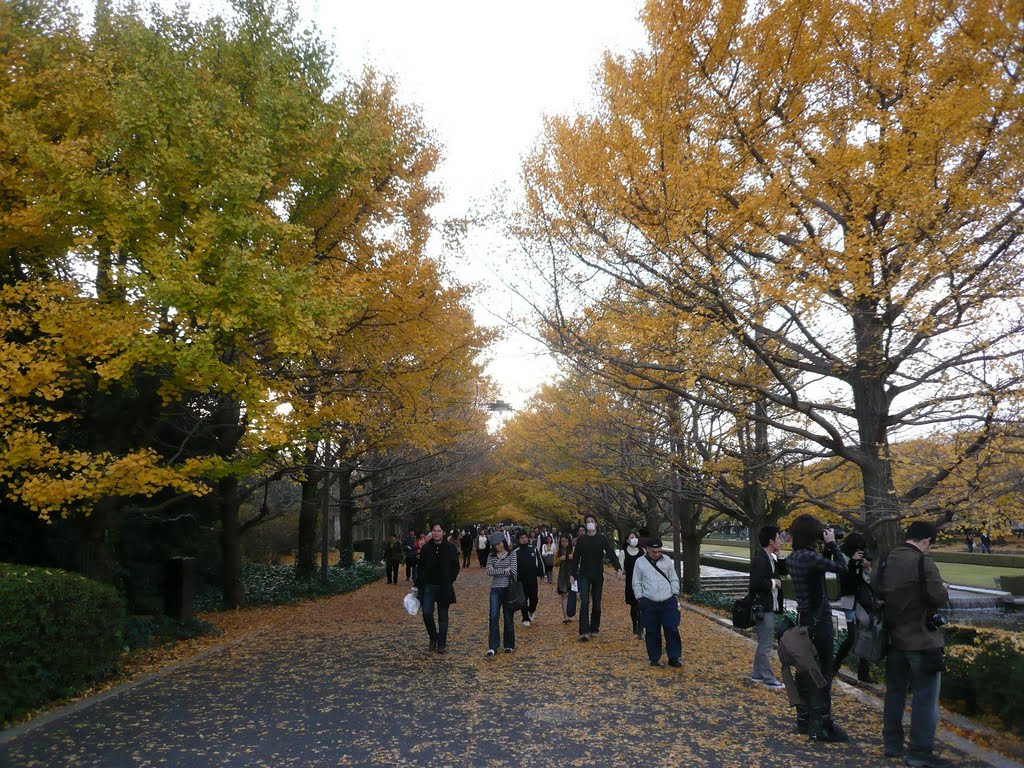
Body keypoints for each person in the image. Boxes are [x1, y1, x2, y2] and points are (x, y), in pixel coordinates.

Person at [877, 521, 951, 768]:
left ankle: (892, 744)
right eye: (930, 545)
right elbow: (938, 598)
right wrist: (944, 589)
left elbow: (875, 588)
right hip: (921, 640)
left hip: (894, 638)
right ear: (926, 541)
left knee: (895, 693)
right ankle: (919, 752)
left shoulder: (886, 559)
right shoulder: (923, 563)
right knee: (925, 698)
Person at [786, 514, 849, 742]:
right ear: (813, 535)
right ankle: (822, 725)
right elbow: (842, 567)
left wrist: (824, 549)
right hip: (820, 622)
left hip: (804, 620)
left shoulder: (794, 557)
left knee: (805, 671)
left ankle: (804, 720)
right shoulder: (810, 558)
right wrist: (832, 543)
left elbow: (817, 571)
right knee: (824, 673)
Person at [571, 514, 623, 641]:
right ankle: (583, 631)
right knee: (584, 602)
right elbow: (576, 557)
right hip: (584, 573)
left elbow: (610, 552)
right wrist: (573, 574)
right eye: (588, 522)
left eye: (592, 521)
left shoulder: (601, 539)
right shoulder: (581, 540)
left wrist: (618, 567)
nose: (590, 523)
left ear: (596, 524)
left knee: (597, 602)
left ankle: (594, 627)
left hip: (598, 574)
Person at [631, 539, 681, 667]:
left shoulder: (667, 560)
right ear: (647, 549)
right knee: (652, 631)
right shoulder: (640, 562)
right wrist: (640, 598)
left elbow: (673, 577)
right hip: (649, 601)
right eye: (654, 552)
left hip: (668, 600)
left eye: (659, 551)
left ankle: (674, 657)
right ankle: (654, 658)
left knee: (671, 628)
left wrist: (674, 593)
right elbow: (636, 582)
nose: (657, 554)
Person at [748, 525, 787, 689]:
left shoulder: (771, 557)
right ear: (771, 541)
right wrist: (773, 582)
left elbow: (785, 571)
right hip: (763, 608)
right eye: (778, 538)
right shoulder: (760, 559)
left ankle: (757, 674)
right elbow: (755, 583)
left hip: (768, 605)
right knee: (766, 644)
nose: (781, 540)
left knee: (764, 642)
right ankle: (767, 677)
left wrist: (780, 556)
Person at [832, 532, 874, 683]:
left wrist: (866, 568)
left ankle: (864, 672)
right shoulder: (843, 558)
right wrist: (854, 564)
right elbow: (847, 582)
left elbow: (866, 581)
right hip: (850, 601)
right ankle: (834, 666)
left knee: (864, 635)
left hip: (862, 602)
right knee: (851, 637)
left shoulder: (858, 560)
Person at [414, 523, 460, 654]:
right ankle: (434, 636)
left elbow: (455, 567)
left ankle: (442, 643)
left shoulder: (450, 548)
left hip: (444, 586)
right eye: (434, 531)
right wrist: (418, 584)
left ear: (443, 532)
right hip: (429, 586)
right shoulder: (426, 548)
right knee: (427, 613)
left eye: (439, 531)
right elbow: (421, 567)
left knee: (443, 616)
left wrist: (450, 579)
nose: (436, 533)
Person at [485, 532, 518, 656]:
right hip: (495, 589)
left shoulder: (511, 554)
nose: (497, 547)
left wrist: (497, 571)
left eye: (498, 544)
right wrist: (504, 570)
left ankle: (509, 644)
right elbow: (488, 571)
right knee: (493, 617)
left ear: (503, 542)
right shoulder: (491, 556)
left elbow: (513, 571)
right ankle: (493, 645)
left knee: (508, 617)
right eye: (494, 545)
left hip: (508, 588)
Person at [514, 530, 545, 625]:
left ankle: (531, 610)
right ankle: (525, 618)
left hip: (532, 578)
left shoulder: (533, 549)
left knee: (534, 598)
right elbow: (513, 566)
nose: (524, 539)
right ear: (518, 540)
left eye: (525, 537)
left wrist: (541, 574)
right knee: (523, 599)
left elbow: (539, 561)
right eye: (521, 538)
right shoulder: (515, 552)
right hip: (520, 579)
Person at [621, 530, 645, 639]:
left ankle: (641, 627)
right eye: (631, 537)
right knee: (634, 605)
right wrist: (619, 573)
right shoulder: (623, 552)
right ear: (627, 540)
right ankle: (635, 624)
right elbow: (621, 567)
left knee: (641, 605)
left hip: (642, 581)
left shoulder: (642, 551)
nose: (633, 539)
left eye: (635, 537)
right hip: (630, 581)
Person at [554, 534, 575, 622]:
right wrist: (560, 559)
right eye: (562, 541)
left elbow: (578, 561)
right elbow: (555, 564)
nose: (564, 543)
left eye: (566, 541)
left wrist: (573, 558)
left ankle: (570, 614)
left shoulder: (573, 550)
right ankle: (565, 615)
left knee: (571, 594)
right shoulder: (558, 551)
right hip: (562, 575)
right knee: (563, 594)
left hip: (571, 574)